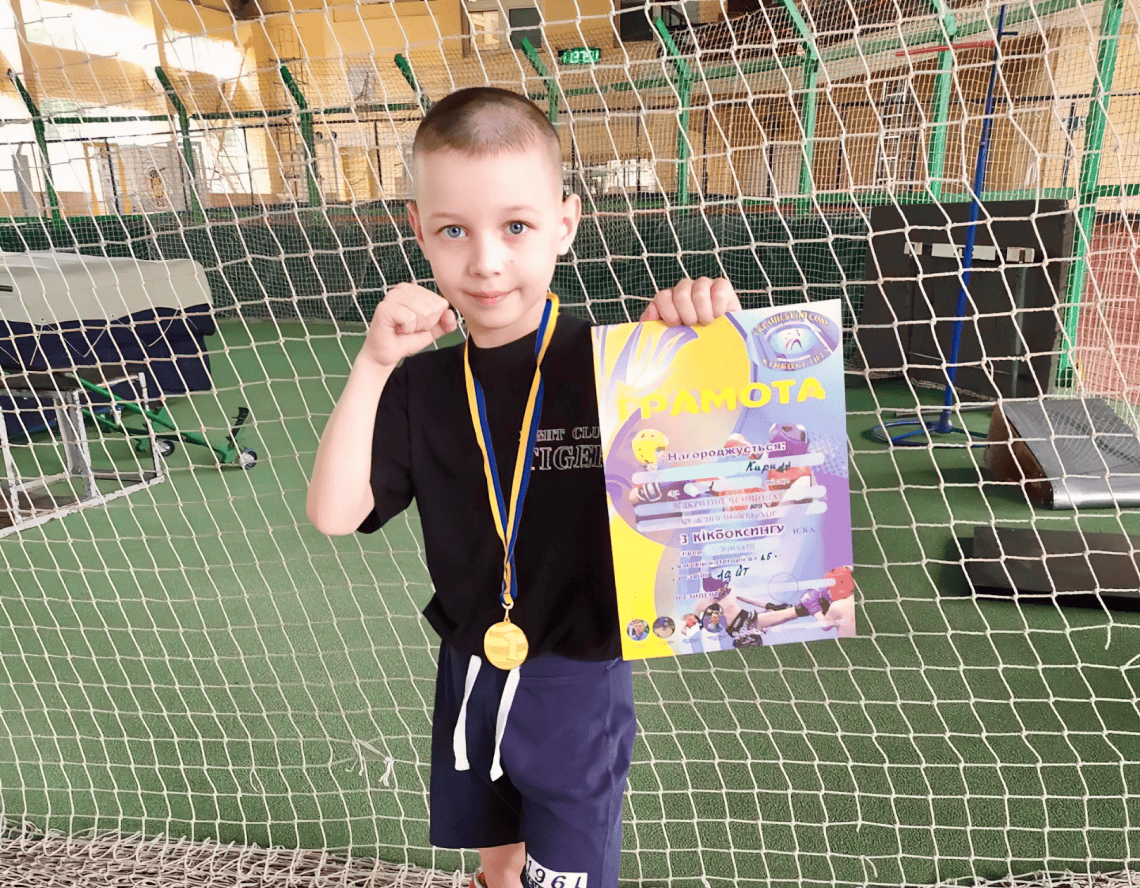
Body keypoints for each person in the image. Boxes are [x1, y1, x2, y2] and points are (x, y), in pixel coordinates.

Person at [306, 86, 740, 888]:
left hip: (576, 677)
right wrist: (372, 365)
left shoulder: (625, 367)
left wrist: (705, 341)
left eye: (516, 226)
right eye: (453, 231)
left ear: (565, 224)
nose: (486, 260)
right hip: (470, 666)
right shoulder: (421, 387)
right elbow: (336, 514)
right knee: (499, 868)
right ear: (420, 234)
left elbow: (717, 472)